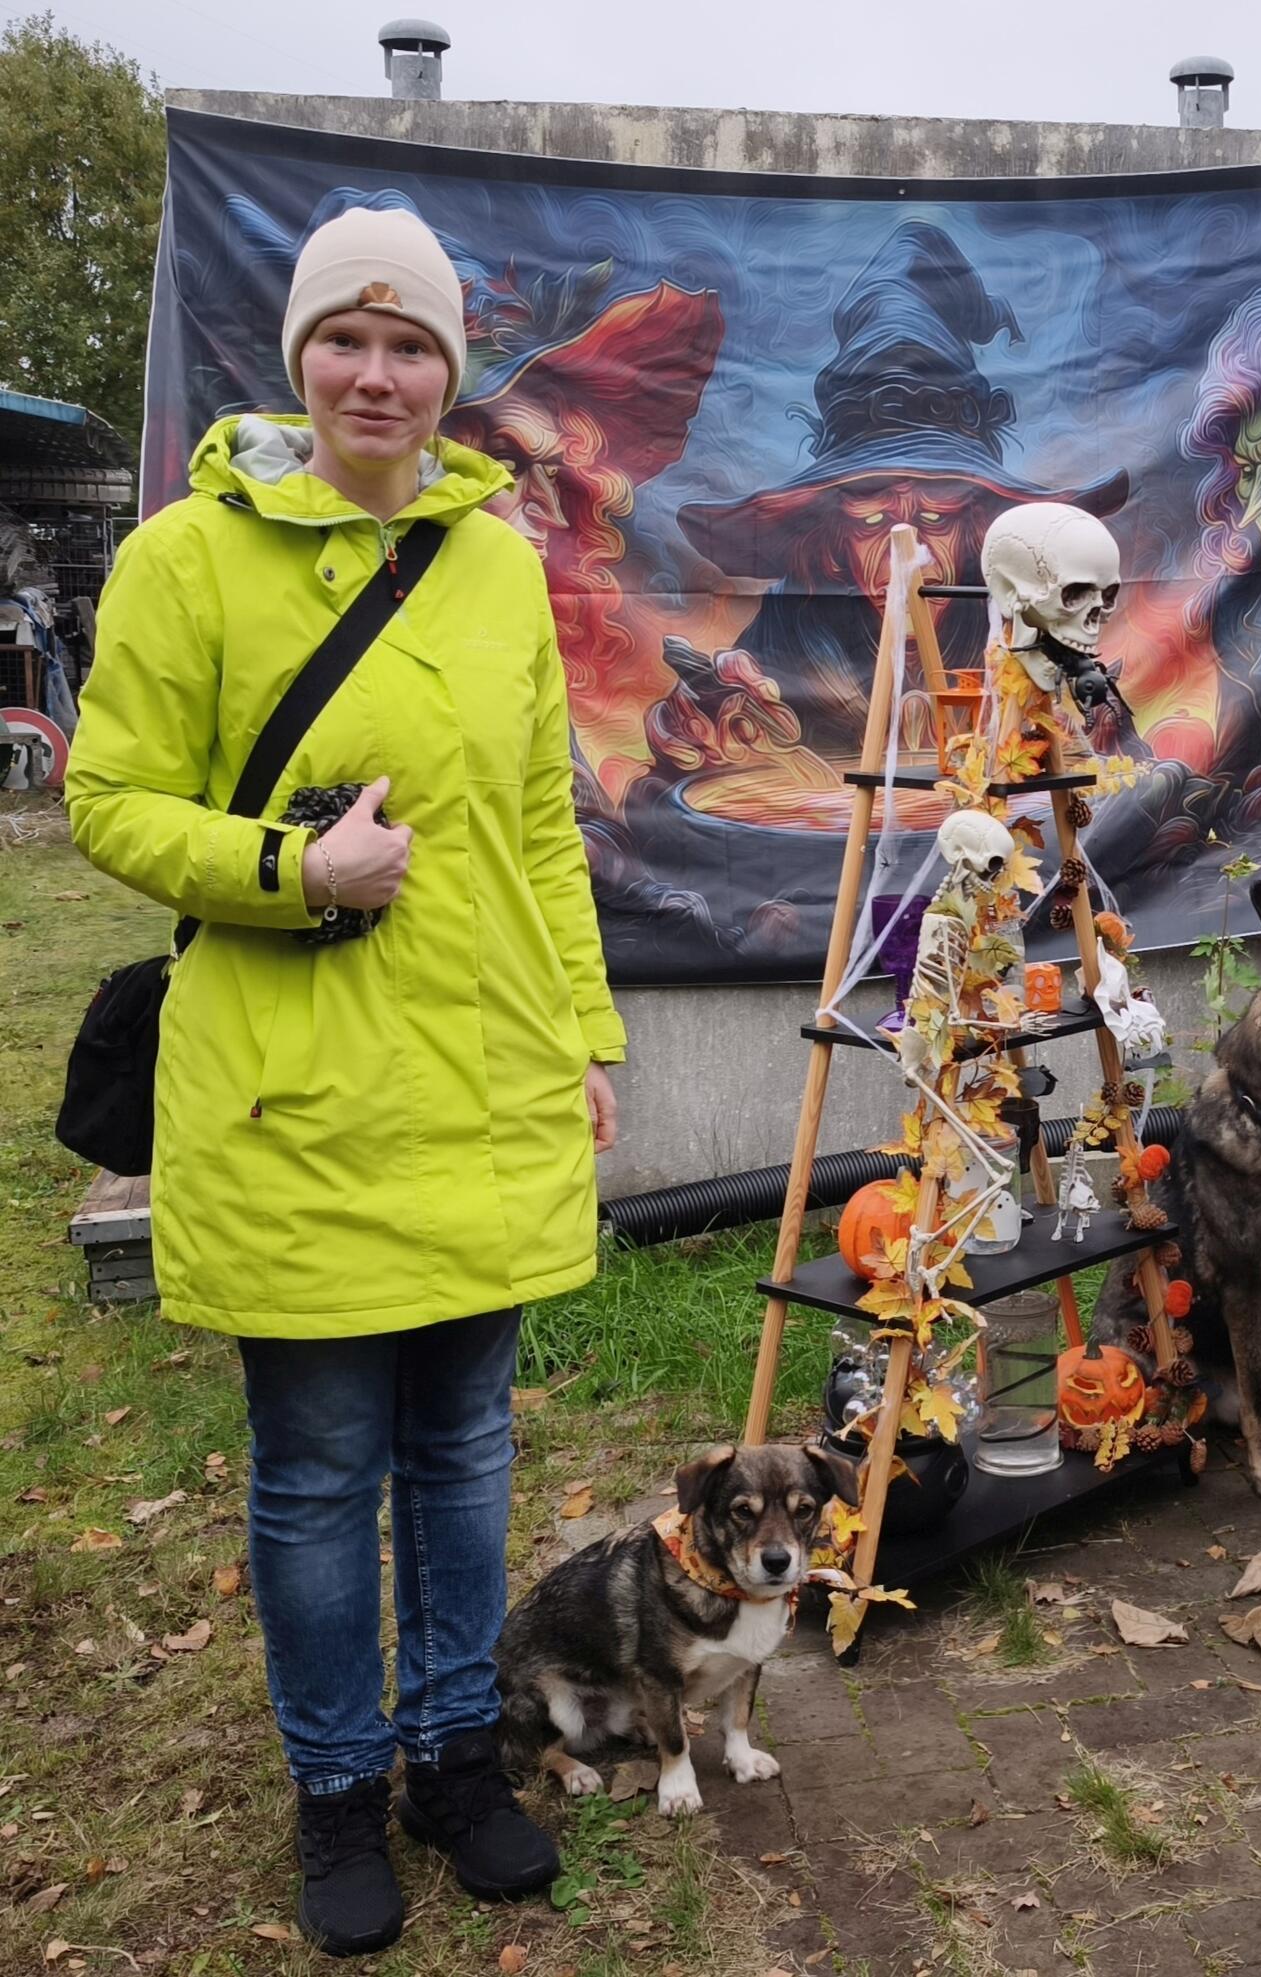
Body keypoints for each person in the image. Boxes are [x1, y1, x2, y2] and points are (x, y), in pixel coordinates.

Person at [65, 204, 625, 1955]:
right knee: (316, 1470)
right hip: (284, 1090)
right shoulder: (183, 560)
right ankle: (335, 1790)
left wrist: (586, 1034)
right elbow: (108, 797)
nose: (378, 375)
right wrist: (290, 873)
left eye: (413, 346)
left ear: (451, 371)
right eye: (348, 340)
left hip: (479, 1076)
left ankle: (457, 1760)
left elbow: (540, 821)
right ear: (298, 357)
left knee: (461, 1447)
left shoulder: (501, 563)